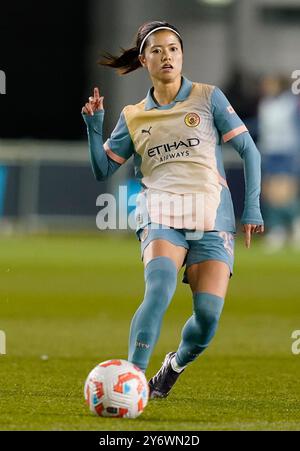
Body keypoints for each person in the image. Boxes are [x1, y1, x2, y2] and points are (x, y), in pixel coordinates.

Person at [82, 20, 264, 399]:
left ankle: (174, 365)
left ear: (182, 56)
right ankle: (130, 384)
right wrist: (94, 126)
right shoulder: (134, 115)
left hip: (213, 217)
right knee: (159, 289)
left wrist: (253, 209)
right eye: (157, 50)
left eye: (173, 49)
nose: (167, 56)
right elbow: (103, 170)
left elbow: (249, 151)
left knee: (208, 321)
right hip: (160, 213)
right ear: (144, 61)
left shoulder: (208, 97)